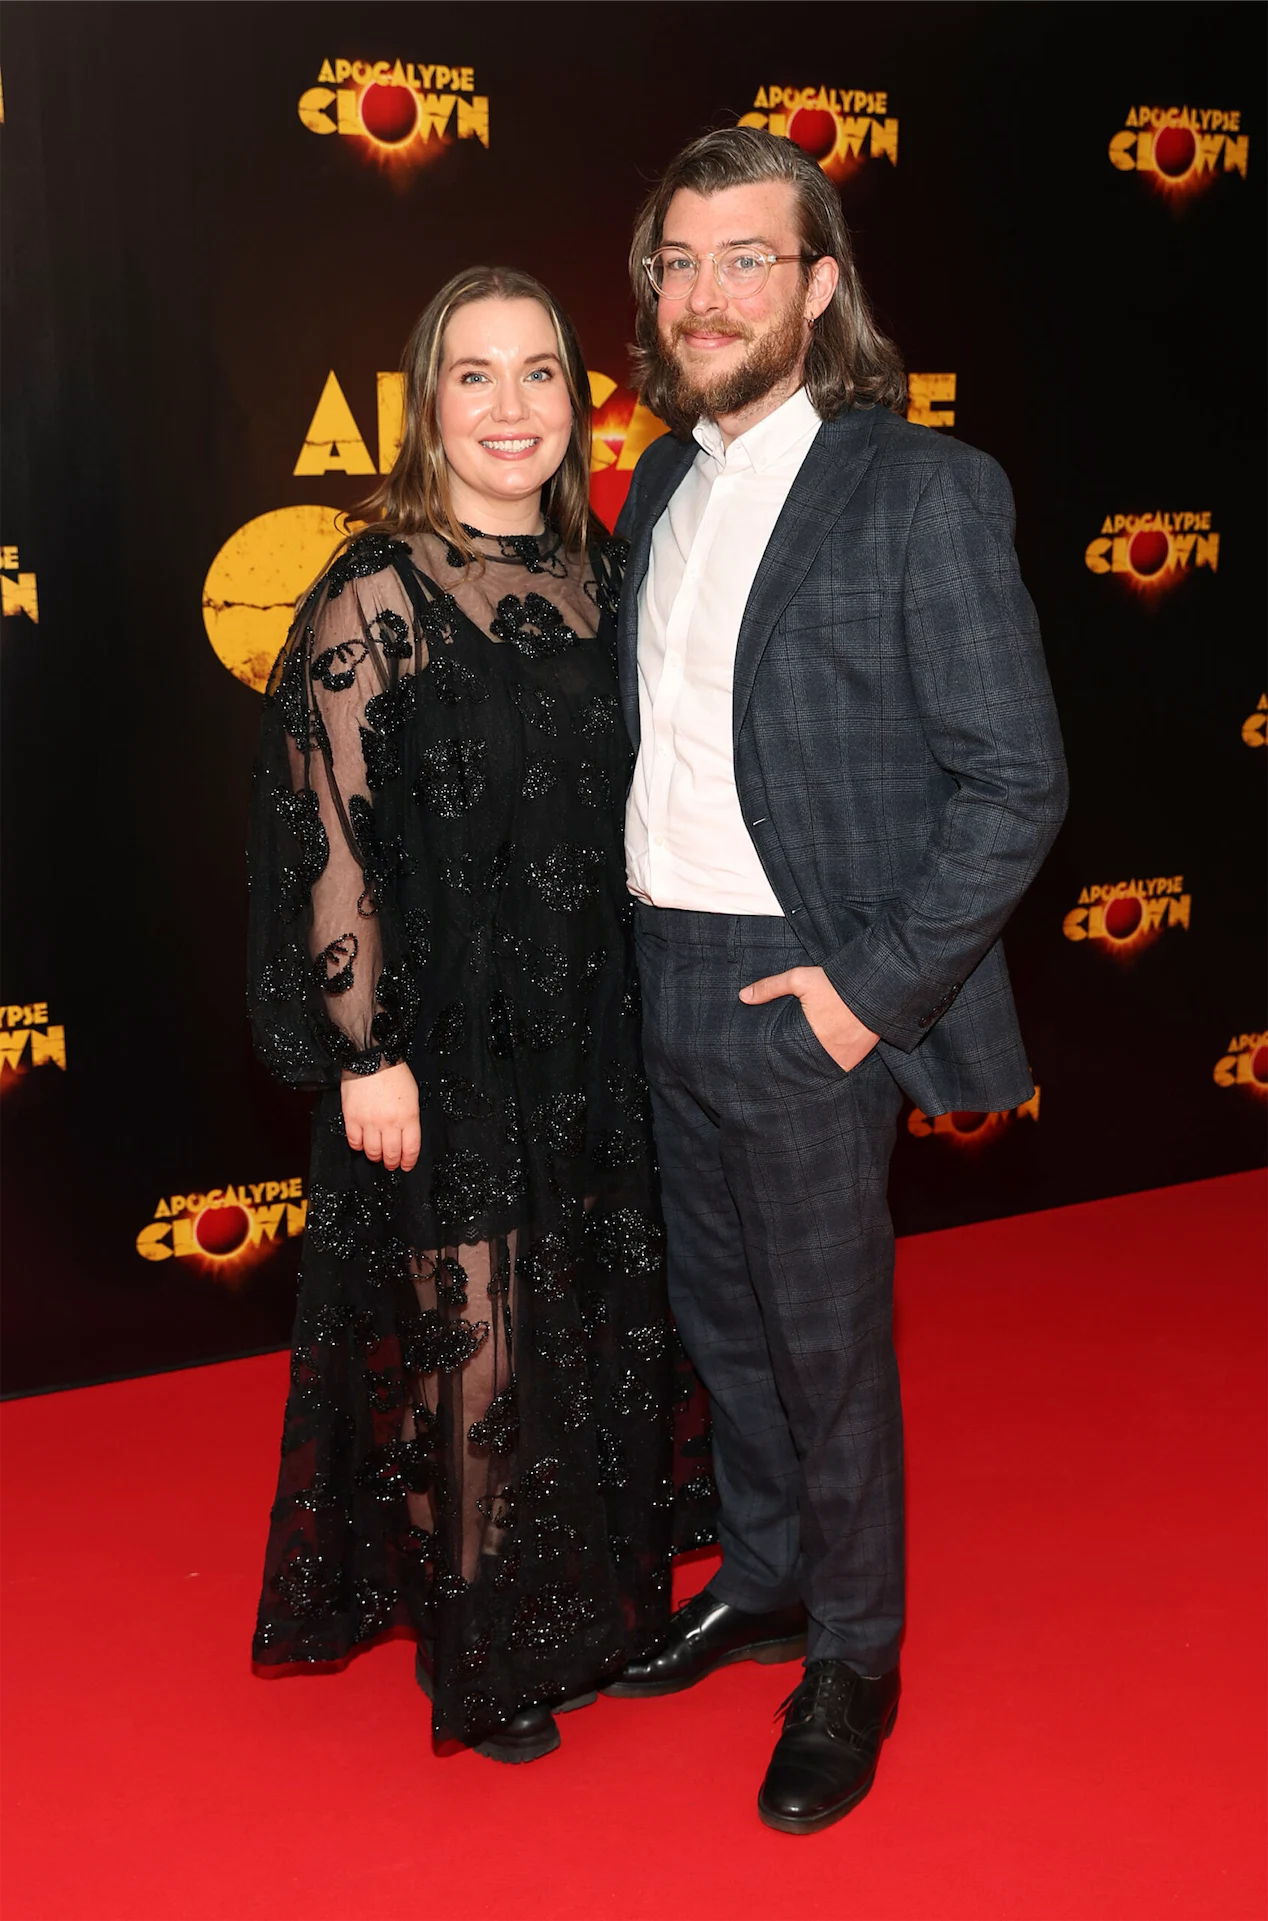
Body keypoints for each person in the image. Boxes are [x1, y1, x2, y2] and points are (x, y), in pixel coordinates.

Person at [601, 127, 1068, 1833]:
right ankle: (771, 1581)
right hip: (662, 962)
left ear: (817, 288)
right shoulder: (660, 481)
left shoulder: (922, 489)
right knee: (723, 1327)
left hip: (809, 989)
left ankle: (857, 1656)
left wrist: (867, 996)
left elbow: (1016, 782)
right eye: (680, 263)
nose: (706, 294)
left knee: (825, 1345)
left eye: (747, 260)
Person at [246, 266, 709, 1764]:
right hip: (445, 1040)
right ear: (427, 406)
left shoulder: (606, 578)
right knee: (476, 1341)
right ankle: (484, 1651)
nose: (511, 407)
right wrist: (364, 1051)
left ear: (579, 402)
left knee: (590, 1318)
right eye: (474, 375)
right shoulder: (372, 590)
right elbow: (323, 834)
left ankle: (595, 1607)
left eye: (540, 373)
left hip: (598, 1022)